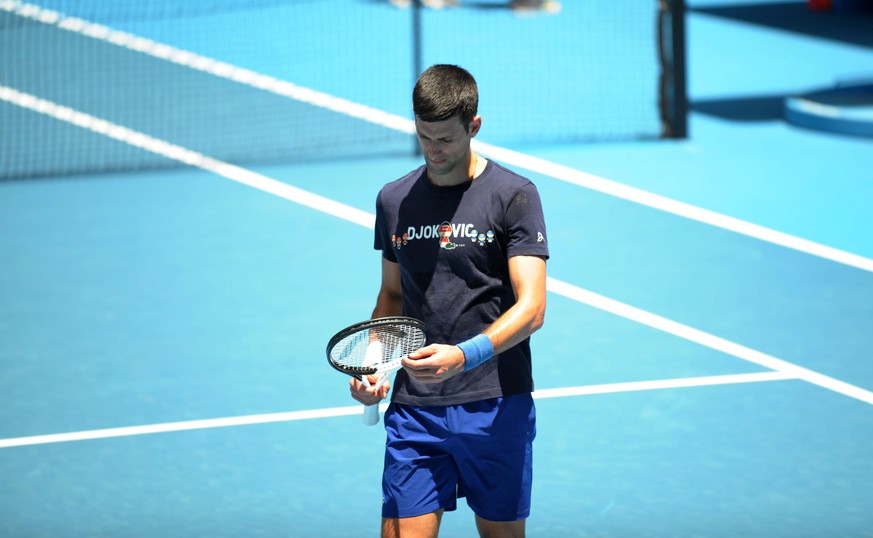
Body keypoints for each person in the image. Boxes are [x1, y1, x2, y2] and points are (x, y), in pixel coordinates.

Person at [349, 64, 549, 538]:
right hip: (415, 407)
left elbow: (533, 307)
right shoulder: (394, 199)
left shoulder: (513, 196)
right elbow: (392, 295)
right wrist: (374, 365)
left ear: (473, 126)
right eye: (424, 137)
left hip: (495, 403)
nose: (434, 152)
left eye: (445, 139)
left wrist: (464, 356)